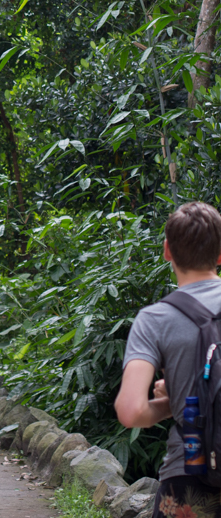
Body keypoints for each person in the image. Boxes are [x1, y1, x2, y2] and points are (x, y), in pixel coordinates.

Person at [115, 201, 221, 518]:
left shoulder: (155, 320)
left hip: (190, 476)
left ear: (167, 251)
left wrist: (175, 403)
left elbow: (131, 411)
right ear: (220, 254)